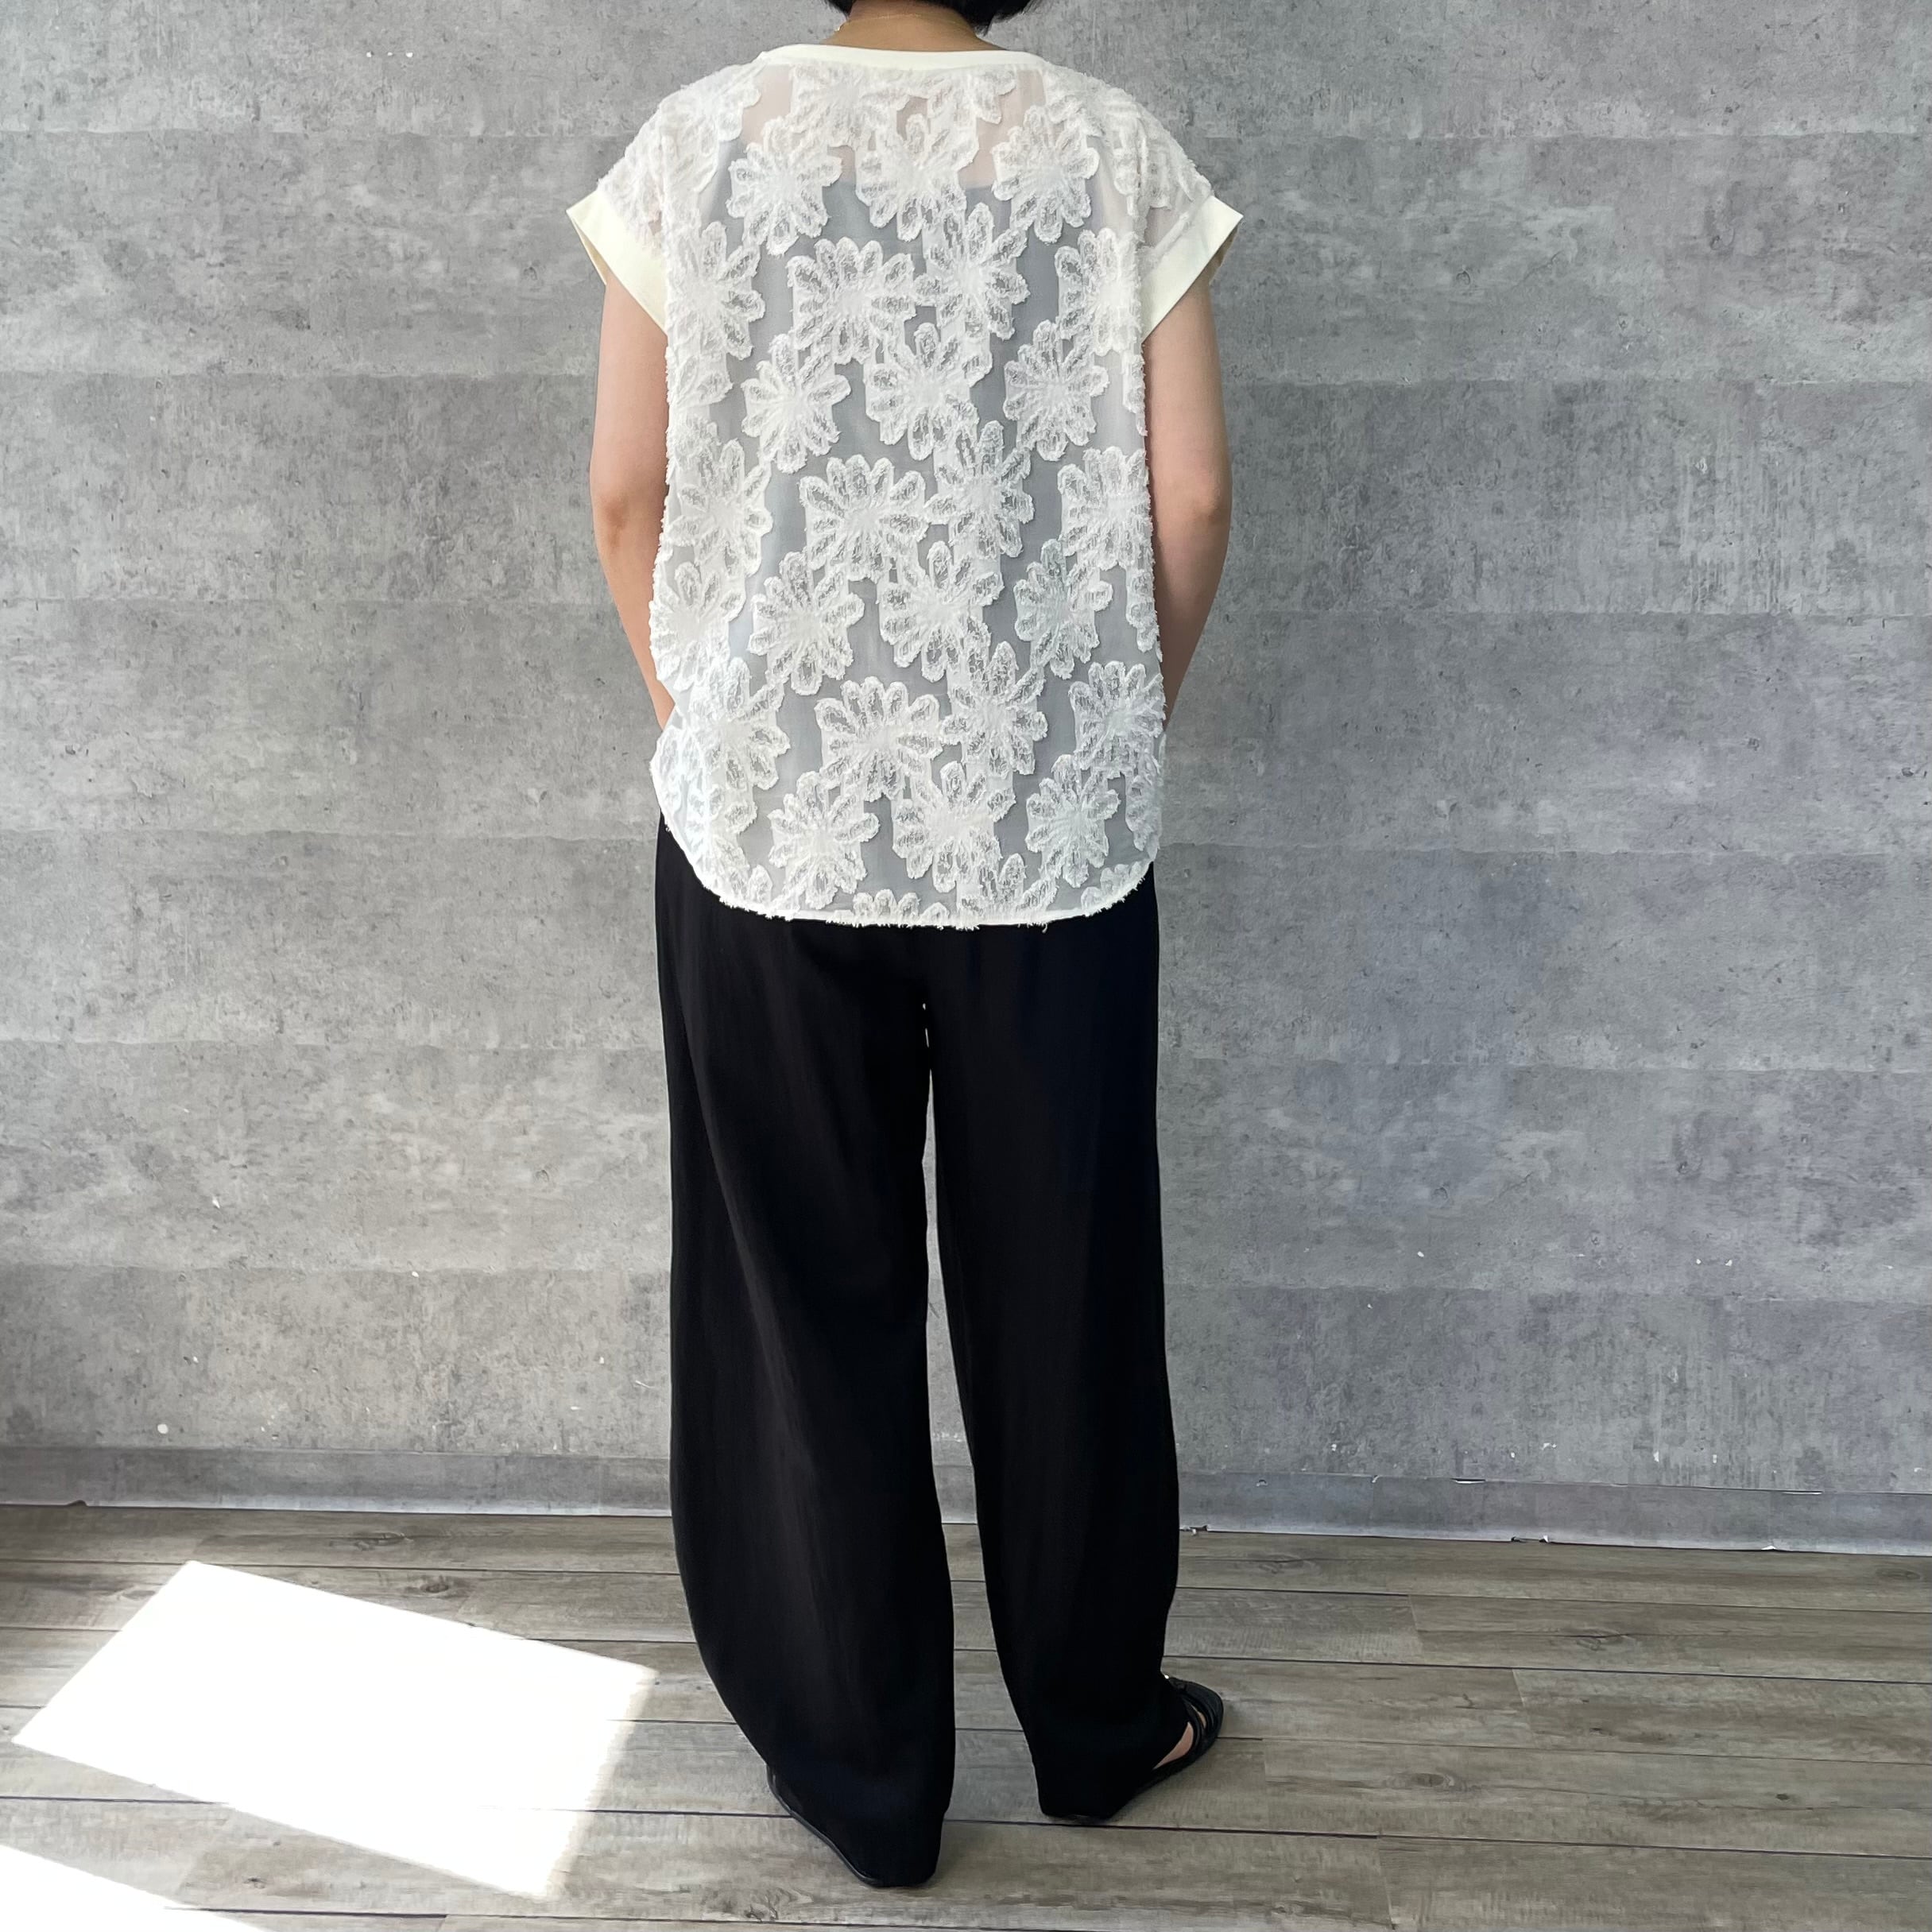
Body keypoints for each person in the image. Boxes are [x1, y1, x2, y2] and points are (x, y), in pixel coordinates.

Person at [566, 0, 1238, 1889]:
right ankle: (1096, 1728)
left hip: (765, 825)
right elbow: (1190, 492)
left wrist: (703, 717)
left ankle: (865, 1781)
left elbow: (626, 490)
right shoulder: (1109, 147)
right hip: (1050, 831)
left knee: (798, 1301)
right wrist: (1108, 723)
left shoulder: (695, 144)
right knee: (1068, 1288)